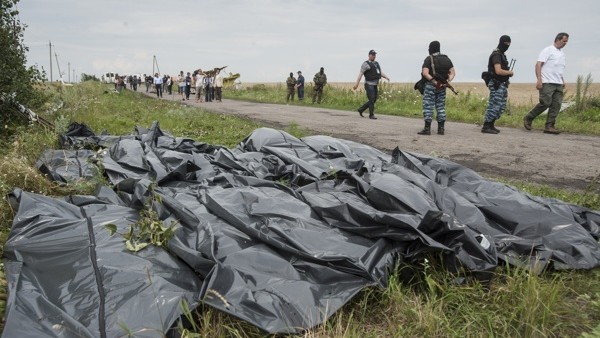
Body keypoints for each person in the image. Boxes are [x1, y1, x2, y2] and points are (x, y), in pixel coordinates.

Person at [523, 32, 569, 135]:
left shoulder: (562, 53)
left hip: (558, 83)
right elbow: (538, 65)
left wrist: (562, 80)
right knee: (545, 103)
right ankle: (528, 117)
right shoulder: (548, 50)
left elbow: (559, 68)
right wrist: (539, 80)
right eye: (564, 41)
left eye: (567, 41)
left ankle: (549, 126)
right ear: (558, 39)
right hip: (547, 82)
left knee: (556, 105)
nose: (565, 43)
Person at [417, 41, 455, 135]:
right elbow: (453, 72)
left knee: (428, 106)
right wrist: (447, 82)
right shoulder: (446, 59)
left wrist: (434, 82)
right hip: (443, 86)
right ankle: (441, 129)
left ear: (431, 48)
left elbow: (425, 73)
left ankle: (427, 129)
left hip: (431, 86)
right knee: (440, 106)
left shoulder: (429, 59)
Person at [481, 35, 514, 134]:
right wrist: (509, 73)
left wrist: (506, 79)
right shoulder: (496, 55)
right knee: (494, 104)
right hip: (496, 83)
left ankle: (491, 124)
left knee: (500, 106)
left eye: (509, 44)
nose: (507, 45)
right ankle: (486, 126)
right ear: (501, 42)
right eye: (506, 43)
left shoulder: (502, 55)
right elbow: (498, 71)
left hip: (501, 83)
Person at [353, 50, 389, 120]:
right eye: (372, 55)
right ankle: (371, 115)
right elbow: (360, 74)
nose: (373, 56)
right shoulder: (365, 64)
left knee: (373, 100)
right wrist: (356, 84)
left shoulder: (376, 63)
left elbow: (379, 72)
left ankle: (361, 109)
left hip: (375, 84)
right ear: (369, 55)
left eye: (374, 55)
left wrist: (386, 77)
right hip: (368, 84)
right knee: (372, 99)